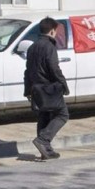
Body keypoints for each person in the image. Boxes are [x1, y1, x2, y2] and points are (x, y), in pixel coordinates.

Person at [24, 17, 70, 160]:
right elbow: (54, 68)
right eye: (56, 31)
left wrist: (27, 90)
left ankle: (45, 151)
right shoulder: (49, 47)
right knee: (62, 114)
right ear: (52, 31)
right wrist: (64, 84)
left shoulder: (32, 47)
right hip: (49, 88)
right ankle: (43, 140)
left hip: (36, 88)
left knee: (44, 115)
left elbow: (27, 71)